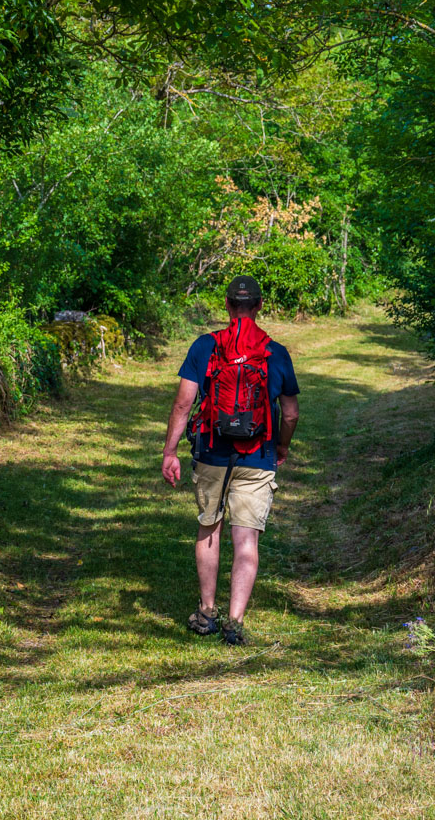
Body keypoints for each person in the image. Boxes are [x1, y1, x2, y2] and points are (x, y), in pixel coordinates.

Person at [160, 275, 300, 645]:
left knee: (209, 528)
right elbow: (289, 414)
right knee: (246, 540)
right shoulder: (276, 352)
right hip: (258, 455)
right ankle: (234, 623)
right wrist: (282, 447)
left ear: (227, 305)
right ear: (258, 305)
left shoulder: (205, 347)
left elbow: (182, 403)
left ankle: (207, 613)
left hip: (211, 452)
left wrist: (170, 451)